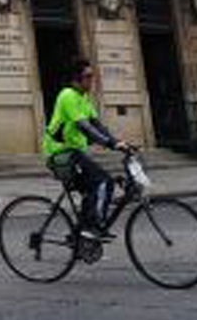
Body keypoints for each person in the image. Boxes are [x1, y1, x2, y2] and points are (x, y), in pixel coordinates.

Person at [42, 59, 132, 236]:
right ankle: (92, 228)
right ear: (76, 79)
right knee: (103, 182)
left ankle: (79, 234)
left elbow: (97, 125)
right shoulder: (67, 95)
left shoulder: (84, 98)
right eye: (88, 76)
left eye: (92, 76)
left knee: (92, 187)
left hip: (74, 153)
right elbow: (85, 127)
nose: (92, 80)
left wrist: (118, 142)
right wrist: (111, 144)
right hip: (61, 154)